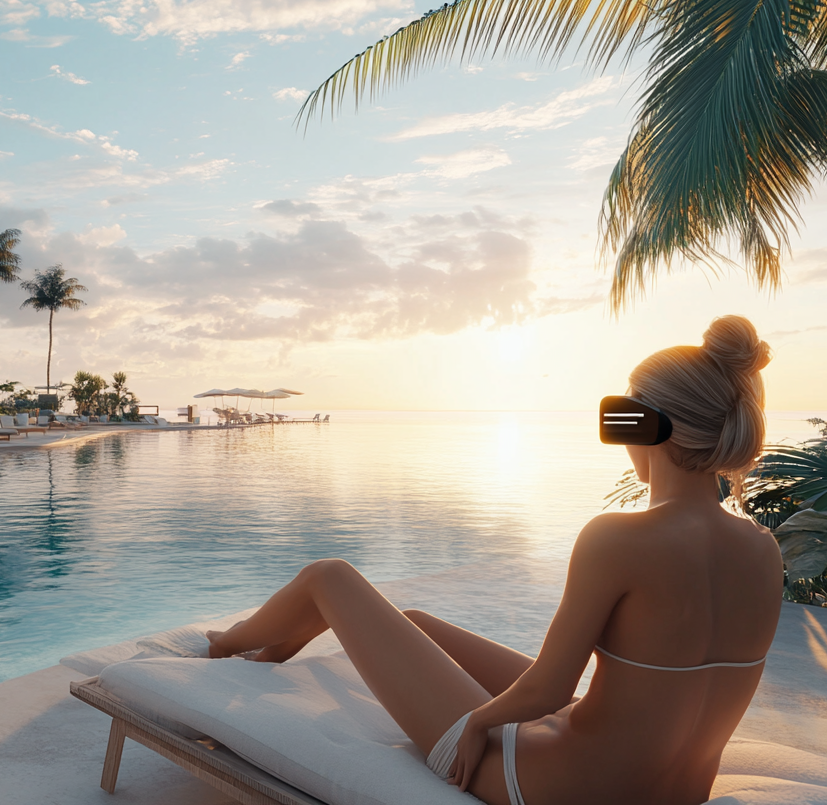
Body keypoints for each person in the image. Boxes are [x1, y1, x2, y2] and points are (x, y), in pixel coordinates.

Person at [205, 315, 783, 805]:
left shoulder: (619, 538)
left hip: (551, 783)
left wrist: (480, 723)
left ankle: (222, 647)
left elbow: (551, 689)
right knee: (413, 624)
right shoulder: (763, 550)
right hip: (671, 786)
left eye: (623, 415)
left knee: (329, 577)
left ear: (648, 426)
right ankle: (269, 653)